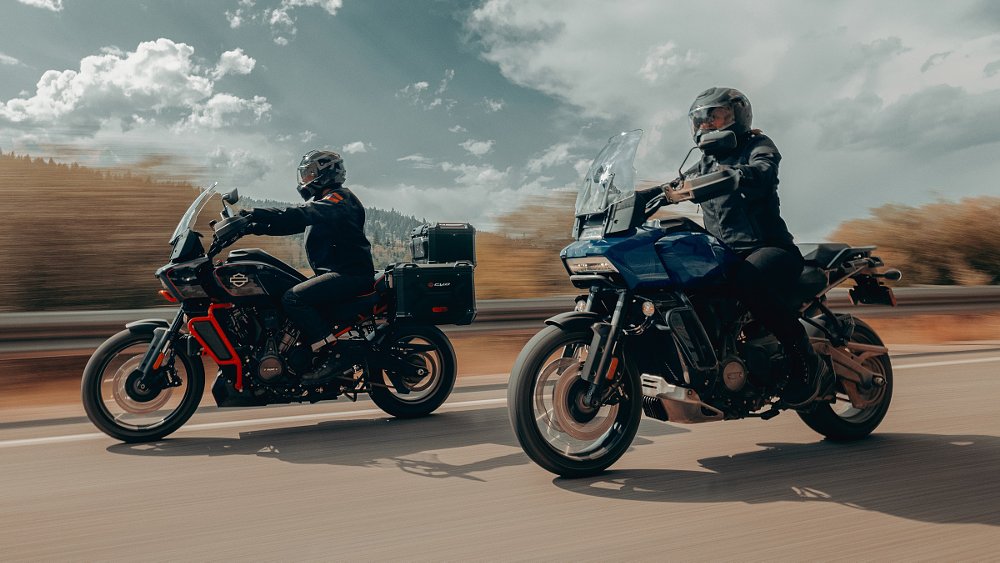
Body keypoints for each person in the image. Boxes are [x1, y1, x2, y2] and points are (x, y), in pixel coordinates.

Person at [662, 87, 833, 407]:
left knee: (746, 279)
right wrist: (641, 197)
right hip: (724, 255)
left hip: (770, 249)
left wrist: (731, 176)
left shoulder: (757, 145)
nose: (708, 126)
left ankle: (807, 362)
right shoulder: (702, 164)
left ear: (738, 117)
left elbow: (763, 172)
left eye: (717, 118)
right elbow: (673, 188)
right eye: (702, 121)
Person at [241, 149, 376, 384]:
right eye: (304, 174)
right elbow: (288, 225)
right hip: (334, 274)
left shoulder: (339, 199)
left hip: (350, 275)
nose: (305, 180)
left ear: (327, 172)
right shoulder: (324, 203)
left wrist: (256, 211)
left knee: (293, 298)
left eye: (310, 173)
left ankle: (333, 353)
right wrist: (251, 226)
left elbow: (303, 214)